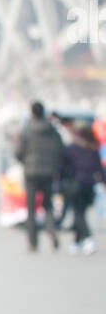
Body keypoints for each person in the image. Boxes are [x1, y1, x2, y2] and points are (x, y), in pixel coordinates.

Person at [16, 101, 64, 252]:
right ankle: (52, 231)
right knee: (47, 204)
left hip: (31, 172)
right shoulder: (53, 130)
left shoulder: (26, 130)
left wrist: (26, 161)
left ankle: (33, 242)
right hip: (49, 172)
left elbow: (18, 152)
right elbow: (60, 151)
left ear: (32, 113)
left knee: (31, 208)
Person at [61, 124, 104, 254]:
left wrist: (61, 182)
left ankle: (88, 239)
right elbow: (99, 168)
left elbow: (63, 167)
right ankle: (76, 242)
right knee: (81, 213)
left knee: (78, 214)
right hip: (89, 185)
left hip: (75, 184)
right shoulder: (93, 148)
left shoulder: (72, 148)